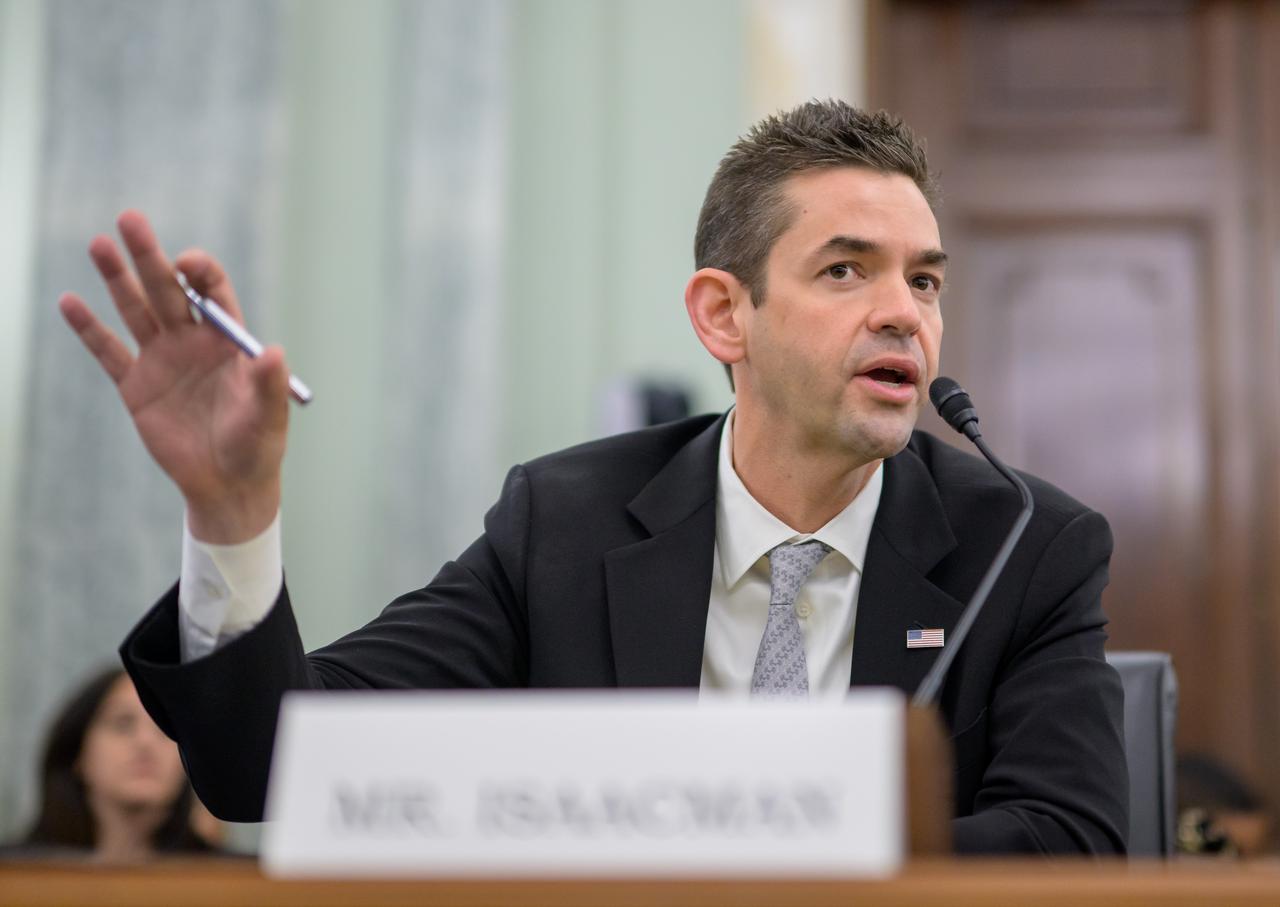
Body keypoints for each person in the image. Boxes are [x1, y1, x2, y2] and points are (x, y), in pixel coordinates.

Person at [58, 100, 1128, 855]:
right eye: (845, 268)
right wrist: (231, 513)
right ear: (722, 313)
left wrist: (759, 843)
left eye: (924, 278)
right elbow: (269, 766)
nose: (904, 310)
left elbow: (1071, 838)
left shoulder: (1023, 545)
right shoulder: (563, 523)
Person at [19, 668, 216, 861]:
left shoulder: (229, 879)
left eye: (165, 727)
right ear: (77, 753)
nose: (146, 742)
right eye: (123, 724)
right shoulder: (14, 875)